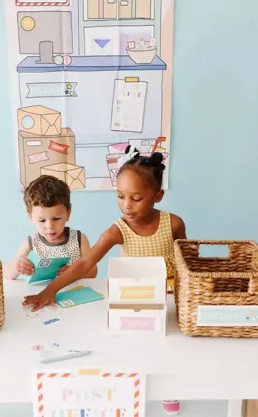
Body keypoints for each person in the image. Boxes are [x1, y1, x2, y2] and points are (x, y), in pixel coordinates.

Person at [22, 149, 186, 415]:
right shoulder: (117, 230)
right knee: (131, 345)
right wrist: (51, 289)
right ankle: (129, 391)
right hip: (132, 297)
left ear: (157, 196)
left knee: (169, 345)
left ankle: (168, 388)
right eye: (120, 197)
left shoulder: (174, 224)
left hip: (166, 297)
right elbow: (86, 263)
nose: (126, 205)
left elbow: (185, 260)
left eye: (136, 198)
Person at [4, 175, 97, 280]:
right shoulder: (31, 243)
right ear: (31, 217)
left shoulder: (79, 239)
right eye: (42, 220)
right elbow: (6, 275)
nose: (50, 226)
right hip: (41, 294)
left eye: (56, 218)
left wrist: (74, 272)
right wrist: (18, 266)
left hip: (73, 293)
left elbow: (93, 271)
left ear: (68, 214)